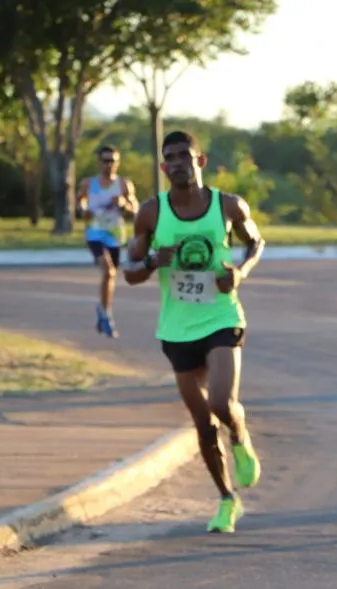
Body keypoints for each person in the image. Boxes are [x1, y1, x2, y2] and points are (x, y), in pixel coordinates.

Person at [122, 130, 264, 533]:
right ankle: (225, 499)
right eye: (171, 158)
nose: (179, 162)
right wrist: (152, 261)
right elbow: (130, 271)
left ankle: (240, 437)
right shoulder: (151, 213)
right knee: (202, 423)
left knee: (222, 402)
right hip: (176, 327)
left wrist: (240, 272)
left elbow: (256, 242)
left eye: (186, 155)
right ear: (164, 168)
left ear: (199, 162)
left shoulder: (228, 206)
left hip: (221, 317)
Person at [77, 145, 139, 338]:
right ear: (99, 162)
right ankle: (106, 315)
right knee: (109, 270)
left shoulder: (123, 184)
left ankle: (104, 311)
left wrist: (124, 204)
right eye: (105, 160)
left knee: (110, 276)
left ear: (118, 162)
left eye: (113, 161)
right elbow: (80, 202)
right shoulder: (89, 183)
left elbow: (136, 208)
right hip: (95, 233)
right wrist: (83, 210)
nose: (109, 165)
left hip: (115, 235)